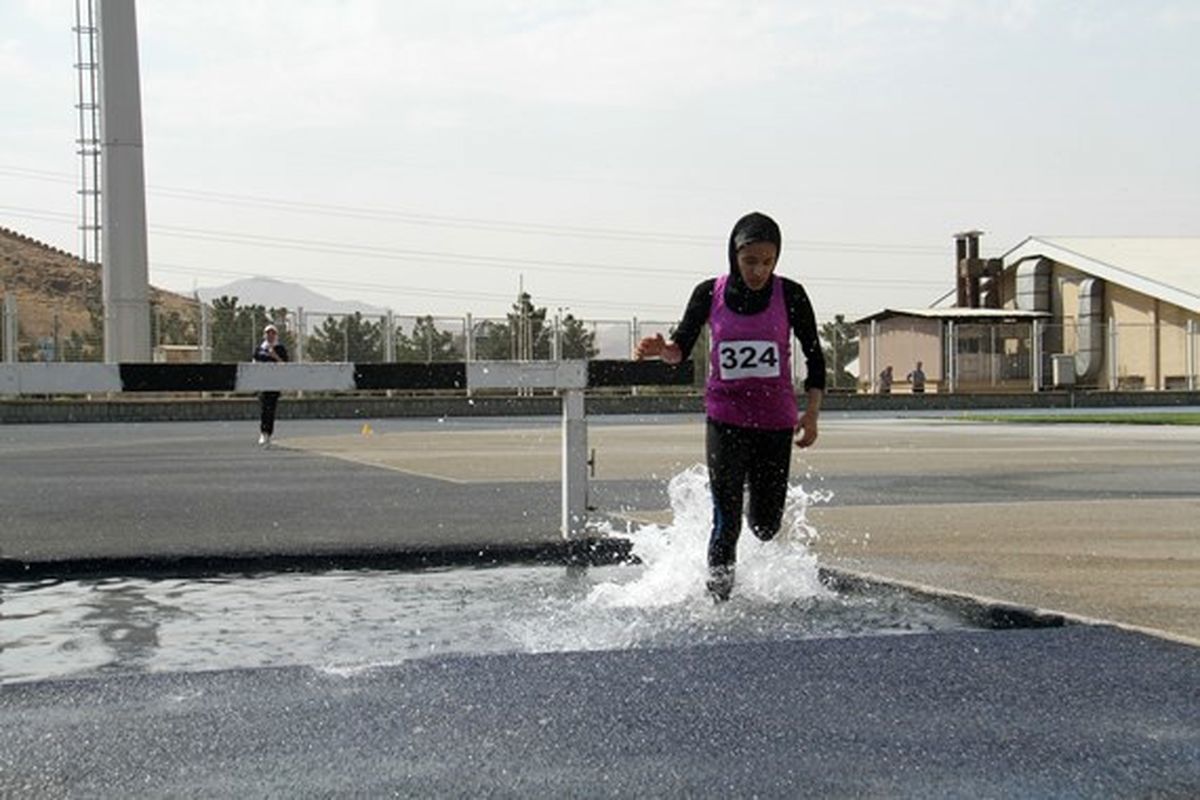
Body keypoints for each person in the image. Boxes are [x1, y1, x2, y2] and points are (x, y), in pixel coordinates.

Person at [634, 211, 826, 602]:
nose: (758, 270)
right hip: (726, 418)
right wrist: (662, 351)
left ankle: (753, 536)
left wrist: (812, 414)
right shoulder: (709, 292)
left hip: (775, 422)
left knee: (765, 526)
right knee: (726, 521)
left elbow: (814, 354)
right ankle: (717, 602)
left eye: (768, 261)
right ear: (733, 256)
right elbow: (680, 349)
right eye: (750, 260)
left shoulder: (790, 294)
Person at [253, 323, 288, 446]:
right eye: (268, 333)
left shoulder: (280, 349)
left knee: (271, 409)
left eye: (273, 333)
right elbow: (255, 362)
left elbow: (285, 365)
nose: (270, 336)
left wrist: (275, 356)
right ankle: (263, 432)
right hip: (263, 383)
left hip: (275, 383)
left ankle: (269, 433)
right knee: (264, 408)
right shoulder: (259, 349)